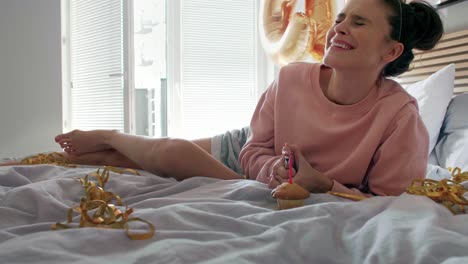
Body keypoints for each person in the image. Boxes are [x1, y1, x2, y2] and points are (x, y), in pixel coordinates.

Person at [5, 0, 443, 197]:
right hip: (247, 151)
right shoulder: (292, 78)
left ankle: (91, 150)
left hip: (290, 179)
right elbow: (255, 146)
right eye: (342, 17)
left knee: (140, 164)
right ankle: (111, 135)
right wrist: (267, 170)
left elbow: (388, 200)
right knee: (167, 150)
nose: (340, 27)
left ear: (390, 52)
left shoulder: (399, 116)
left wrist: (323, 185)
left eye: (359, 22)